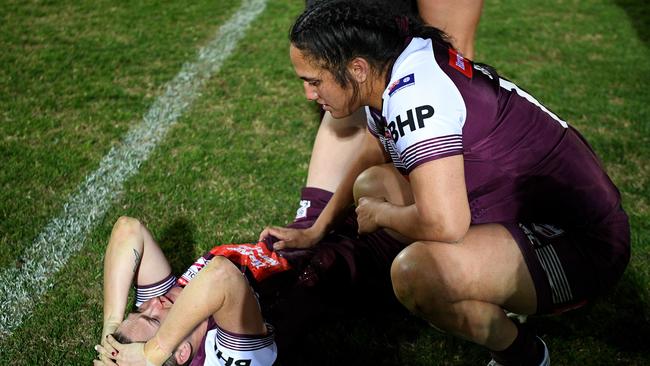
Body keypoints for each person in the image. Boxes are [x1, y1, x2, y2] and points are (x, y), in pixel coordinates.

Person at [263, 1, 631, 365]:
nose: (309, 95)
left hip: (581, 245)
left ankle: (523, 355)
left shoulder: (414, 96)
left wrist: (385, 215)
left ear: (356, 68)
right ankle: (474, 282)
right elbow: (374, 150)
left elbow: (444, 224)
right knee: (373, 183)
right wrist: (317, 228)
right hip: (535, 210)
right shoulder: (397, 62)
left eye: (314, 81)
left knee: (416, 273)